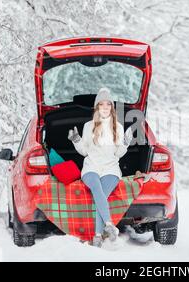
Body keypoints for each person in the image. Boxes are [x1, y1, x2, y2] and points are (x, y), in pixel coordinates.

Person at [68, 87, 133, 247]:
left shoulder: (117, 126)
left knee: (101, 196)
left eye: (108, 104)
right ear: (97, 107)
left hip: (111, 168)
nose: (105, 107)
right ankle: (109, 225)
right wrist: (76, 140)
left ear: (111, 107)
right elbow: (84, 151)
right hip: (91, 167)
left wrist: (125, 142)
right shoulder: (88, 126)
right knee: (97, 189)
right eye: (101, 104)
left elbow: (118, 153)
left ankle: (97, 236)